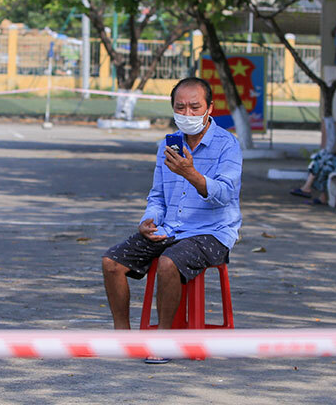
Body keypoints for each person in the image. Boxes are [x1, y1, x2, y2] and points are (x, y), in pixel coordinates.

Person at [100, 77, 243, 351]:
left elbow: (225, 194)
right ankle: (123, 339)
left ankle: (163, 341)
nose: (187, 114)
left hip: (212, 231)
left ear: (209, 108)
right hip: (171, 227)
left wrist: (191, 174)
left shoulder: (228, 145)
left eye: (194, 107)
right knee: (111, 262)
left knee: (168, 263)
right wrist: (148, 220)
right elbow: (157, 196)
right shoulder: (167, 144)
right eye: (180, 107)